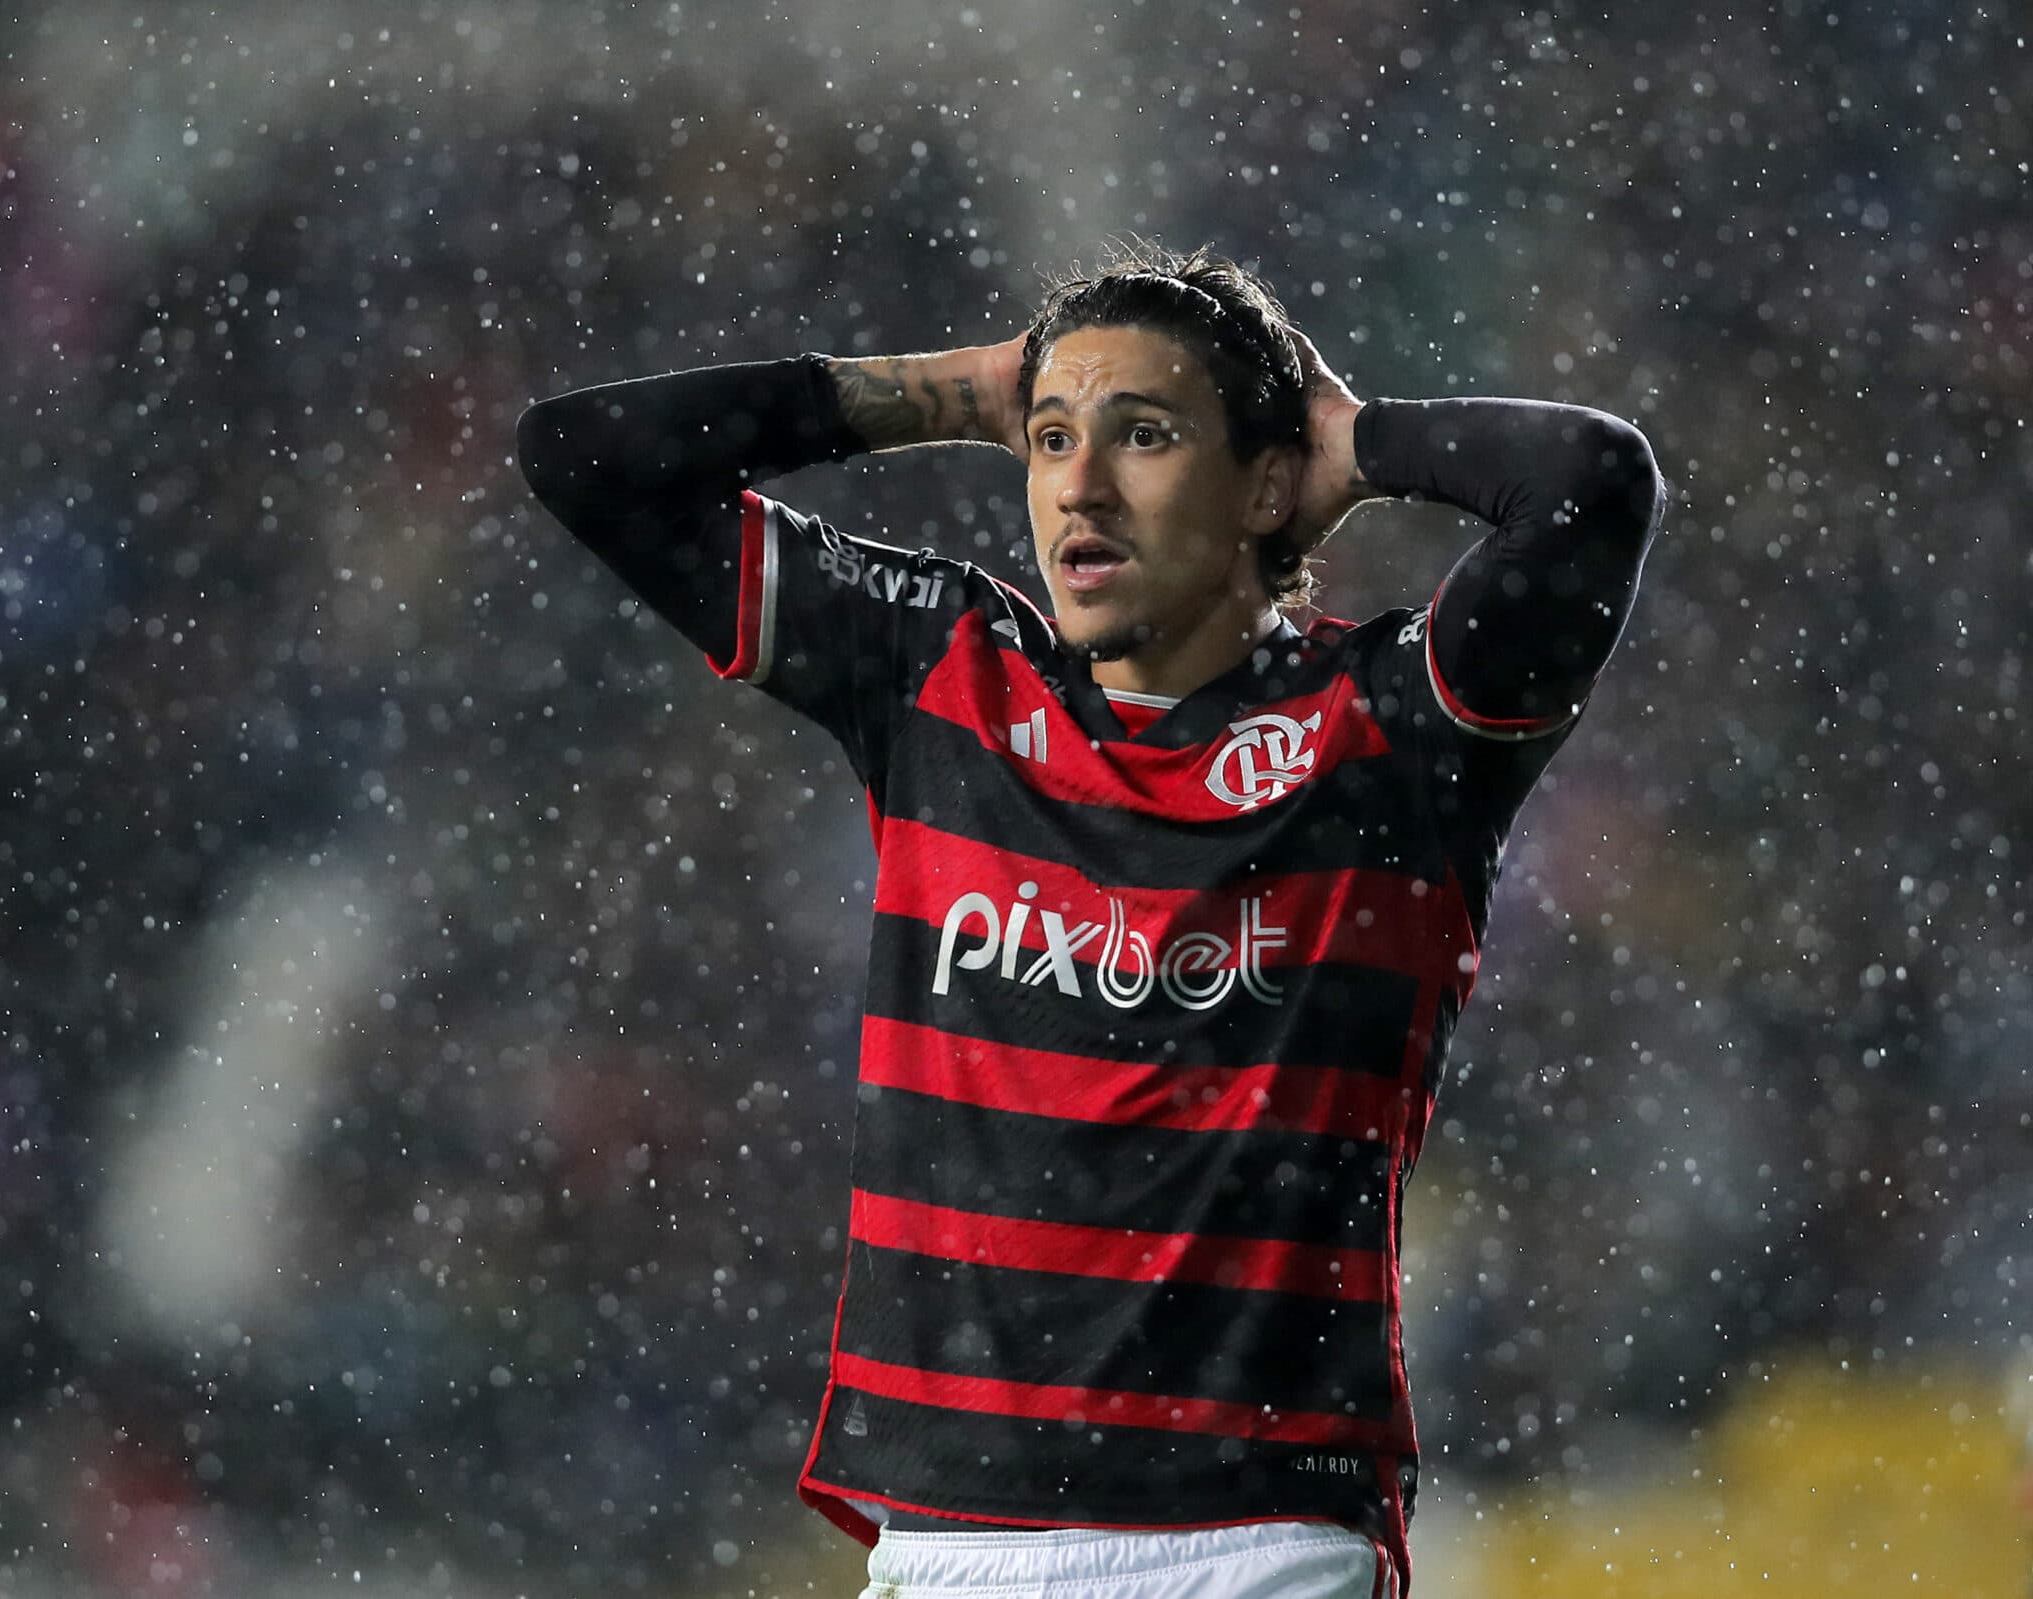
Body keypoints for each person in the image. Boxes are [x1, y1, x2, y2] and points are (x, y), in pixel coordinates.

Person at [516, 240, 1663, 1599]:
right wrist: (959, 389)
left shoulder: (1394, 731)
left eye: (1149, 434)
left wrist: (1346, 437)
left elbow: (1591, 485)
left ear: (1264, 484)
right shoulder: (941, 673)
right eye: (1052, 437)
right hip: (950, 1548)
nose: (1080, 482)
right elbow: (584, 456)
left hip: (1256, 1548)